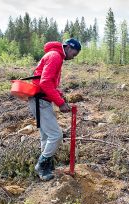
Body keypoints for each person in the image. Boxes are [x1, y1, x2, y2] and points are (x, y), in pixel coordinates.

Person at [28, 38, 81, 181]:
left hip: (40, 99)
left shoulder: (53, 54)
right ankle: (41, 165)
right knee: (56, 135)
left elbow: (46, 81)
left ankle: (47, 167)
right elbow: (45, 83)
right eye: (74, 54)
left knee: (46, 135)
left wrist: (58, 94)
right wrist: (60, 102)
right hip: (40, 101)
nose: (73, 57)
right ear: (69, 48)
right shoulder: (56, 56)